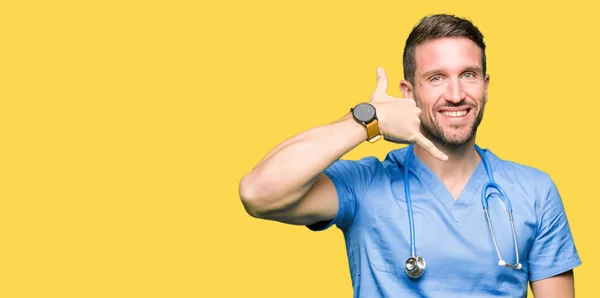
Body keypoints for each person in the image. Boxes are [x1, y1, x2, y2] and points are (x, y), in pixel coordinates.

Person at [238, 14, 581, 297]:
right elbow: (258, 193)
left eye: (469, 75)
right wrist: (367, 119)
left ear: (486, 86)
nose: (456, 94)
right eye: (436, 78)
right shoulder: (364, 186)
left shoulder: (535, 191)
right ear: (408, 92)